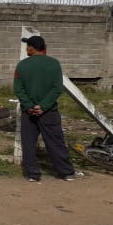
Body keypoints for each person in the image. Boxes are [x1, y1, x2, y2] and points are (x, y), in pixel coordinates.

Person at [13, 35, 82, 182]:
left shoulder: (22, 66)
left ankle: (33, 174)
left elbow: (18, 89)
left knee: (29, 143)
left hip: (28, 112)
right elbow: (57, 88)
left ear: (31, 48)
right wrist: (43, 106)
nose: (26, 49)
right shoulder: (54, 64)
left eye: (27, 47)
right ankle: (66, 172)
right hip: (49, 112)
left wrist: (30, 106)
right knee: (55, 142)